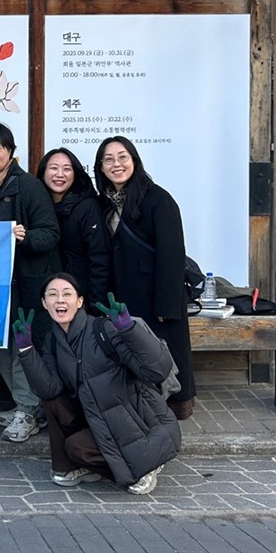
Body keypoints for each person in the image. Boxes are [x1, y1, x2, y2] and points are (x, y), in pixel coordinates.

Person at [17, 273, 180, 495]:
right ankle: (70, 467)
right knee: (58, 413)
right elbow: (49, 389)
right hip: (97, 418)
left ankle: (148, 465)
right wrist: (26, 350)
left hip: (139, 421)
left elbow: (157, 370)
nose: (60, 300)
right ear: (45, 304)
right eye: (52, 295)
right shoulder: (53, 342)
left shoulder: (103, 330)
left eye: (67, 294)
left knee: (119, 458)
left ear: (80, 301)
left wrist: (128, 329)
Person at [94, 135, 197, 420]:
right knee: (139, 353)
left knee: (166, 351)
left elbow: (172, 255)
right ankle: (146, 406)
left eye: (123, 157)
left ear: (134, 161)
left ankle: (178, 406)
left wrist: (166, 305)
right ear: (100, 167)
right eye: (109, 159)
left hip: (156, 295)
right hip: (128, 295)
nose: (117, 164)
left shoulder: (157, 199)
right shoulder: (106, 203)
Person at [0, 122, 60, 443]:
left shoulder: (27, 186)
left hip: (25, 281)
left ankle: (27, 408)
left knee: (24, 345)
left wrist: (25, 237)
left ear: (10, 152)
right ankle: (28, 406)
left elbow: (50, 233)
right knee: (0, 347)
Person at [35, 147, 112, 306]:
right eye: (53, 168)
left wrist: (97, 305)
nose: (60, 174)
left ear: (75, 174)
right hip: (49, 298)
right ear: (43, 173)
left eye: (67, 169)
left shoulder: (87, 207)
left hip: (82, 298)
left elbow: (100, 259)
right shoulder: (37, 207)